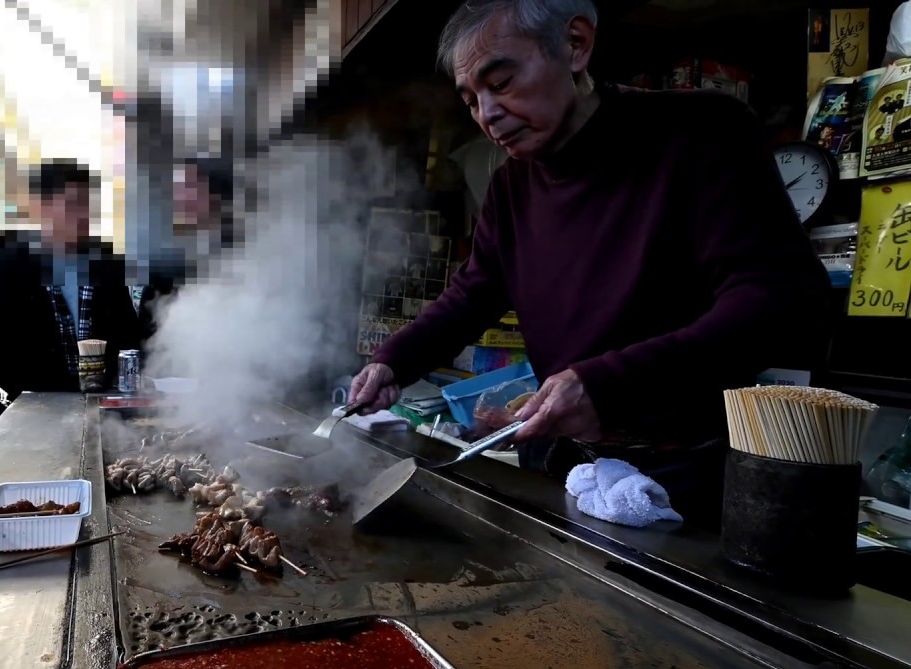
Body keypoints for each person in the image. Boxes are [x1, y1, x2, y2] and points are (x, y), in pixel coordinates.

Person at [350, 0, 831, 528]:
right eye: (471, 100)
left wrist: (607, 383)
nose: (486, 114)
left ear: (576, 44)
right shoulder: (512, 187)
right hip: (564, 466)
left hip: (685, 477)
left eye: (502, 81)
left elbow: (780, 300)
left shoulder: (701, 131)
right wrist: (392, 361)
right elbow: (472, 293)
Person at [0, 160, 139, 407]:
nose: (84, 215)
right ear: (41, 206)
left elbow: (127, 334)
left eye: (89, 205)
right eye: (73, 205)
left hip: (100, 402)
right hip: (30, 408)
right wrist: (45, 395)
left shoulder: (106, 263)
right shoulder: (6, 265)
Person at [138, 157, 235, 351]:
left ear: (216, 195)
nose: (182, 197)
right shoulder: (164, 263)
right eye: (178, 188)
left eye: (191, 187)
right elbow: (146, 332)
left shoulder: (240, 255)